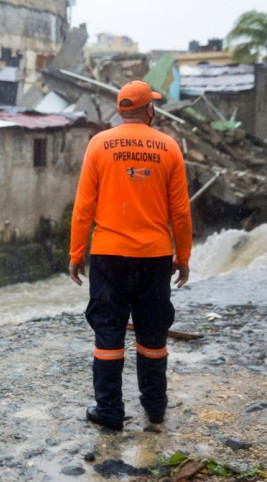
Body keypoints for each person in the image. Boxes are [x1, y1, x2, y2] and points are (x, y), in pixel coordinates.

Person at [68, 80, 192, 432]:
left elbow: (83, 208)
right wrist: (183, 257)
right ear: (148, 110)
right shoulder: (168, 147)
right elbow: (180, 213)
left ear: (122, 110)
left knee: (108, 331)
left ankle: (109, 411)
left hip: (108, 255)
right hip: (154, 256)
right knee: (152, 333)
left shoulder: (98, 144)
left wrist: (76, 253)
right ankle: (155, 409)